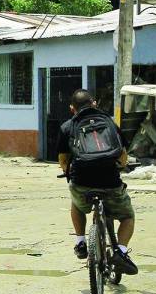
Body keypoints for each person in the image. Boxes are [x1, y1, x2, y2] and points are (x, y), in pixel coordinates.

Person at [56, 88, 139, 276]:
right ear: (94, 104)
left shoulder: (67, 127)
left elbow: (63, 160)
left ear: (72, 109)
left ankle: (80, 241)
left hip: (81, 182)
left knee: (77, 204)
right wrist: (119, 166)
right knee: (127, 216)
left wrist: (69, 173)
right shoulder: (109, 123)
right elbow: (123, 156)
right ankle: (121, 252)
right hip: (110, 182)